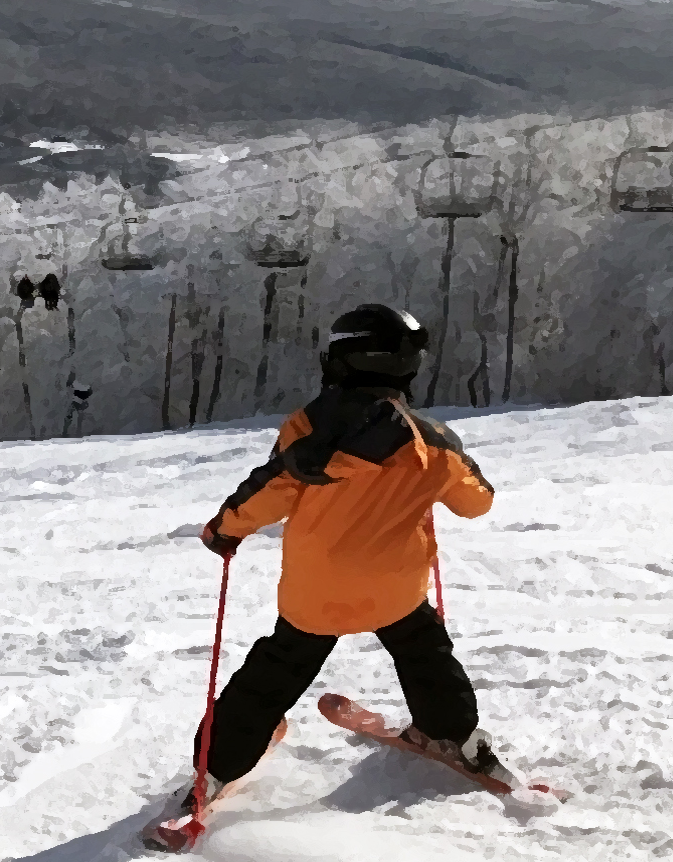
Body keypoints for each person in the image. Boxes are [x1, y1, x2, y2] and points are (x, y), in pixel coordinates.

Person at [179, 304, 502, 813]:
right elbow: (476, 502)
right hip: (395, 590)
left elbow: (273, 489)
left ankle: (215, 769)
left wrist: (225, 529)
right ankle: (454, 734)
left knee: (274, 672)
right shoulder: (435, 443)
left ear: (342, 359)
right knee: (426, 654)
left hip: (316, 594)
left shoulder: (308, 428)